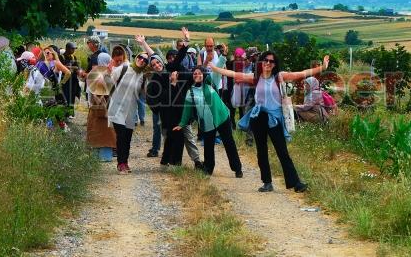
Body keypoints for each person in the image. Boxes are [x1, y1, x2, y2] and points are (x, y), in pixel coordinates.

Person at [209, 52, 329, 193]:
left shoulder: (279, 77)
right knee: (261, 151)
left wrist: (323, 67)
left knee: (282, 151)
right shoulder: (255, 77)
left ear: (274, 64)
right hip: (258, 117)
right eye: (265, 60)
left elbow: (301, 73)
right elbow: (234, 74)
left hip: (275, 119)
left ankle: (296, 183)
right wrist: (215, 68)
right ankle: (267, 182)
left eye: (271, 61)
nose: (268, 63)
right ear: (261, 62)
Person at [138, 29, 203, 169]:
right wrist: (172, 85)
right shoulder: (155, 79)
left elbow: (178, 57)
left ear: (161, 62)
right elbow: (157, 98)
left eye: (158, 62)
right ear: (152, 67)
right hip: (167, 113)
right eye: (154, 65)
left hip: (179, 109)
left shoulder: (170, 68)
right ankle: (171, 163)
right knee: (172, 138)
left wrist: (186, 41)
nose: (157, 65)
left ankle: (183, 162)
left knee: (183, 137)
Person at [173, 66, 243, 178]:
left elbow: (218, 70)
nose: (197, 75)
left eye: (199, 73)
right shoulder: (190, 91)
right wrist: (182, 124)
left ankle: (237, 169)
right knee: (208, 146)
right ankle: (208, 169)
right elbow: (187, 110)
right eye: (195, 73)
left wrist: (222, 57)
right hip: (207, 122)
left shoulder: (210, 82)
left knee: (229, 143)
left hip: (221, 117)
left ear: (204, 74)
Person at [107, 42, 151, 174]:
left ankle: (125, 162)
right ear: (136, 57)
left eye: (144, 60)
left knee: (127, 138)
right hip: (116, 109)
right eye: (140, 57)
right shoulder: (124, 68)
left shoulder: (142, 77)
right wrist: (109, 72)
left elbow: (144, 94)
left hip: (131, 111)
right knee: (121, 136)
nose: (141, 60)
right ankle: (120, 164)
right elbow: (110, 80)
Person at [86, 52, 117, 161]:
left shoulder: (93, 74)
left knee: (95, 133)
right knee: (107, 135)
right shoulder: (111, 74)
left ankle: (96, 157)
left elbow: (89, 94)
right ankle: (106, 156)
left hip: (95, 110)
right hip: (107, 111)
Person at [60, 42, 82, 118]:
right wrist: (72, 68)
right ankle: (63, 114)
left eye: (74, 49)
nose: (73, 50)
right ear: (67, 48)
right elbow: (61, 67)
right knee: (65, 96)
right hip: (65, 81)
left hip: (73, 80)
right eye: (72, 48)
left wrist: (75, 69)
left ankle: (70, 113)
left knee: (72, 96)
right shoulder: (61, 57)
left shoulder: (74, 57)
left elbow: (77, 67)